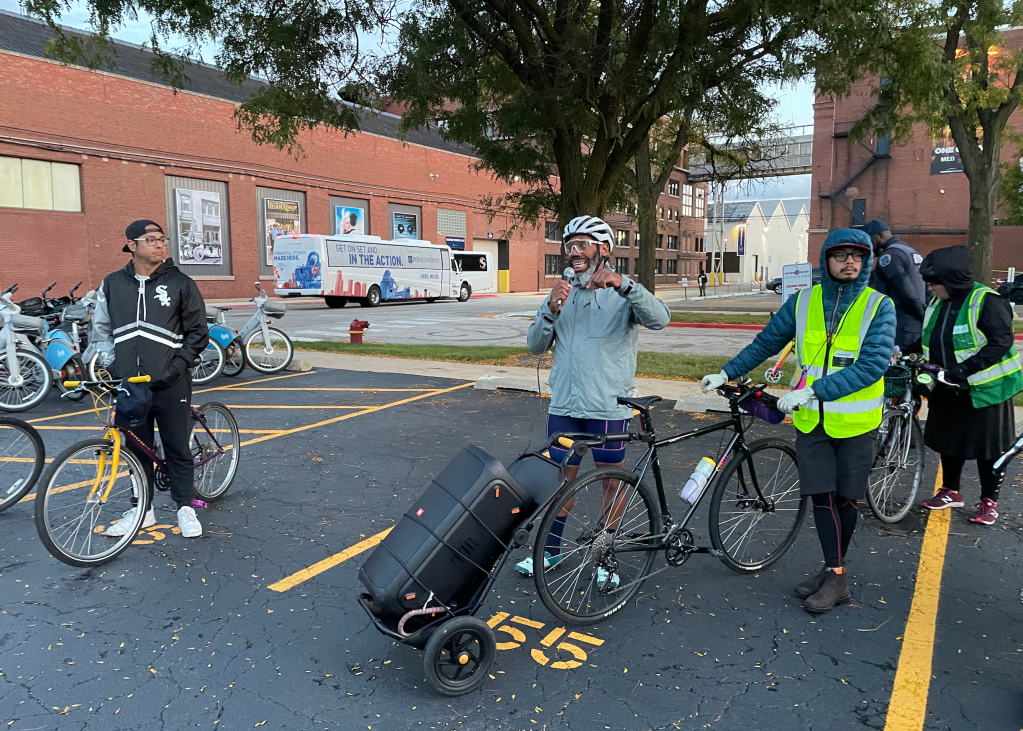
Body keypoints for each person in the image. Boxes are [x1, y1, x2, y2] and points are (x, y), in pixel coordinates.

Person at [701, 229, 896, 614]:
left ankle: (834, 574)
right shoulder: (803, 302)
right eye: (840, 255)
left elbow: (872, 366)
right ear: (825, 260)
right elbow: (766, 342)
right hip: (813, 422)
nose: (849, 262)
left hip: (856, 423)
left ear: (867, 260)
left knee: (845, 499)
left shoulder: (879, 306)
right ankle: (835, 573)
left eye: (857, 256)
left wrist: (813, 391)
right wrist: (726, 372)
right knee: (821, 495)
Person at [517, 215, 670, 577]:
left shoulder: (623, 294)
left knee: (612, 484)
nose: (574, 252)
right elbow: (535, 345)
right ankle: (551, 551)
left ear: (603, 249)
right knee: (560, 481)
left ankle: (605, 557)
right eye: (570, 246)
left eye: (582, 244)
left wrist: (625, 284)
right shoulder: (561, 292)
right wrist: (550, 312)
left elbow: (660, 318)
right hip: (566, 408)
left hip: (607, 409)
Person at [93, 220, 211, 539]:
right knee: (136, 450)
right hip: (129, 384)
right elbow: (101, 329)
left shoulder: (181, 283)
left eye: (163, 239)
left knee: (176, 446)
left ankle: (185, 507)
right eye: (152, 239)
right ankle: (142, 510)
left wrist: (176, 366)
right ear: (132, 245)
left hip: (171, 383)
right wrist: (113, 364)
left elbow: (198, 333)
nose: (160, 244)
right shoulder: (112, 284)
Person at [917, 246, 1023, 525]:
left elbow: (1002, 341)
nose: (929, 288)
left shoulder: (986, 301)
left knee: (988, 449)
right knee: (948, 442)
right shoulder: (939, 301)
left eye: (934, 282)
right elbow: (930, 335)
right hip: (947, 386)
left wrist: (964, 370)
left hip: (984, 389)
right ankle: (951, 491)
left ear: (951, 279)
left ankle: (989, 501)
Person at [863, 220, 926, 350]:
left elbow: (905, 291)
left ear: (879, 235)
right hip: (914, 323)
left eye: (869, 240)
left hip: (902, 324)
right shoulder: (909, 251)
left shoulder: (891, 256)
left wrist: (922, 316)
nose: (868, 245)